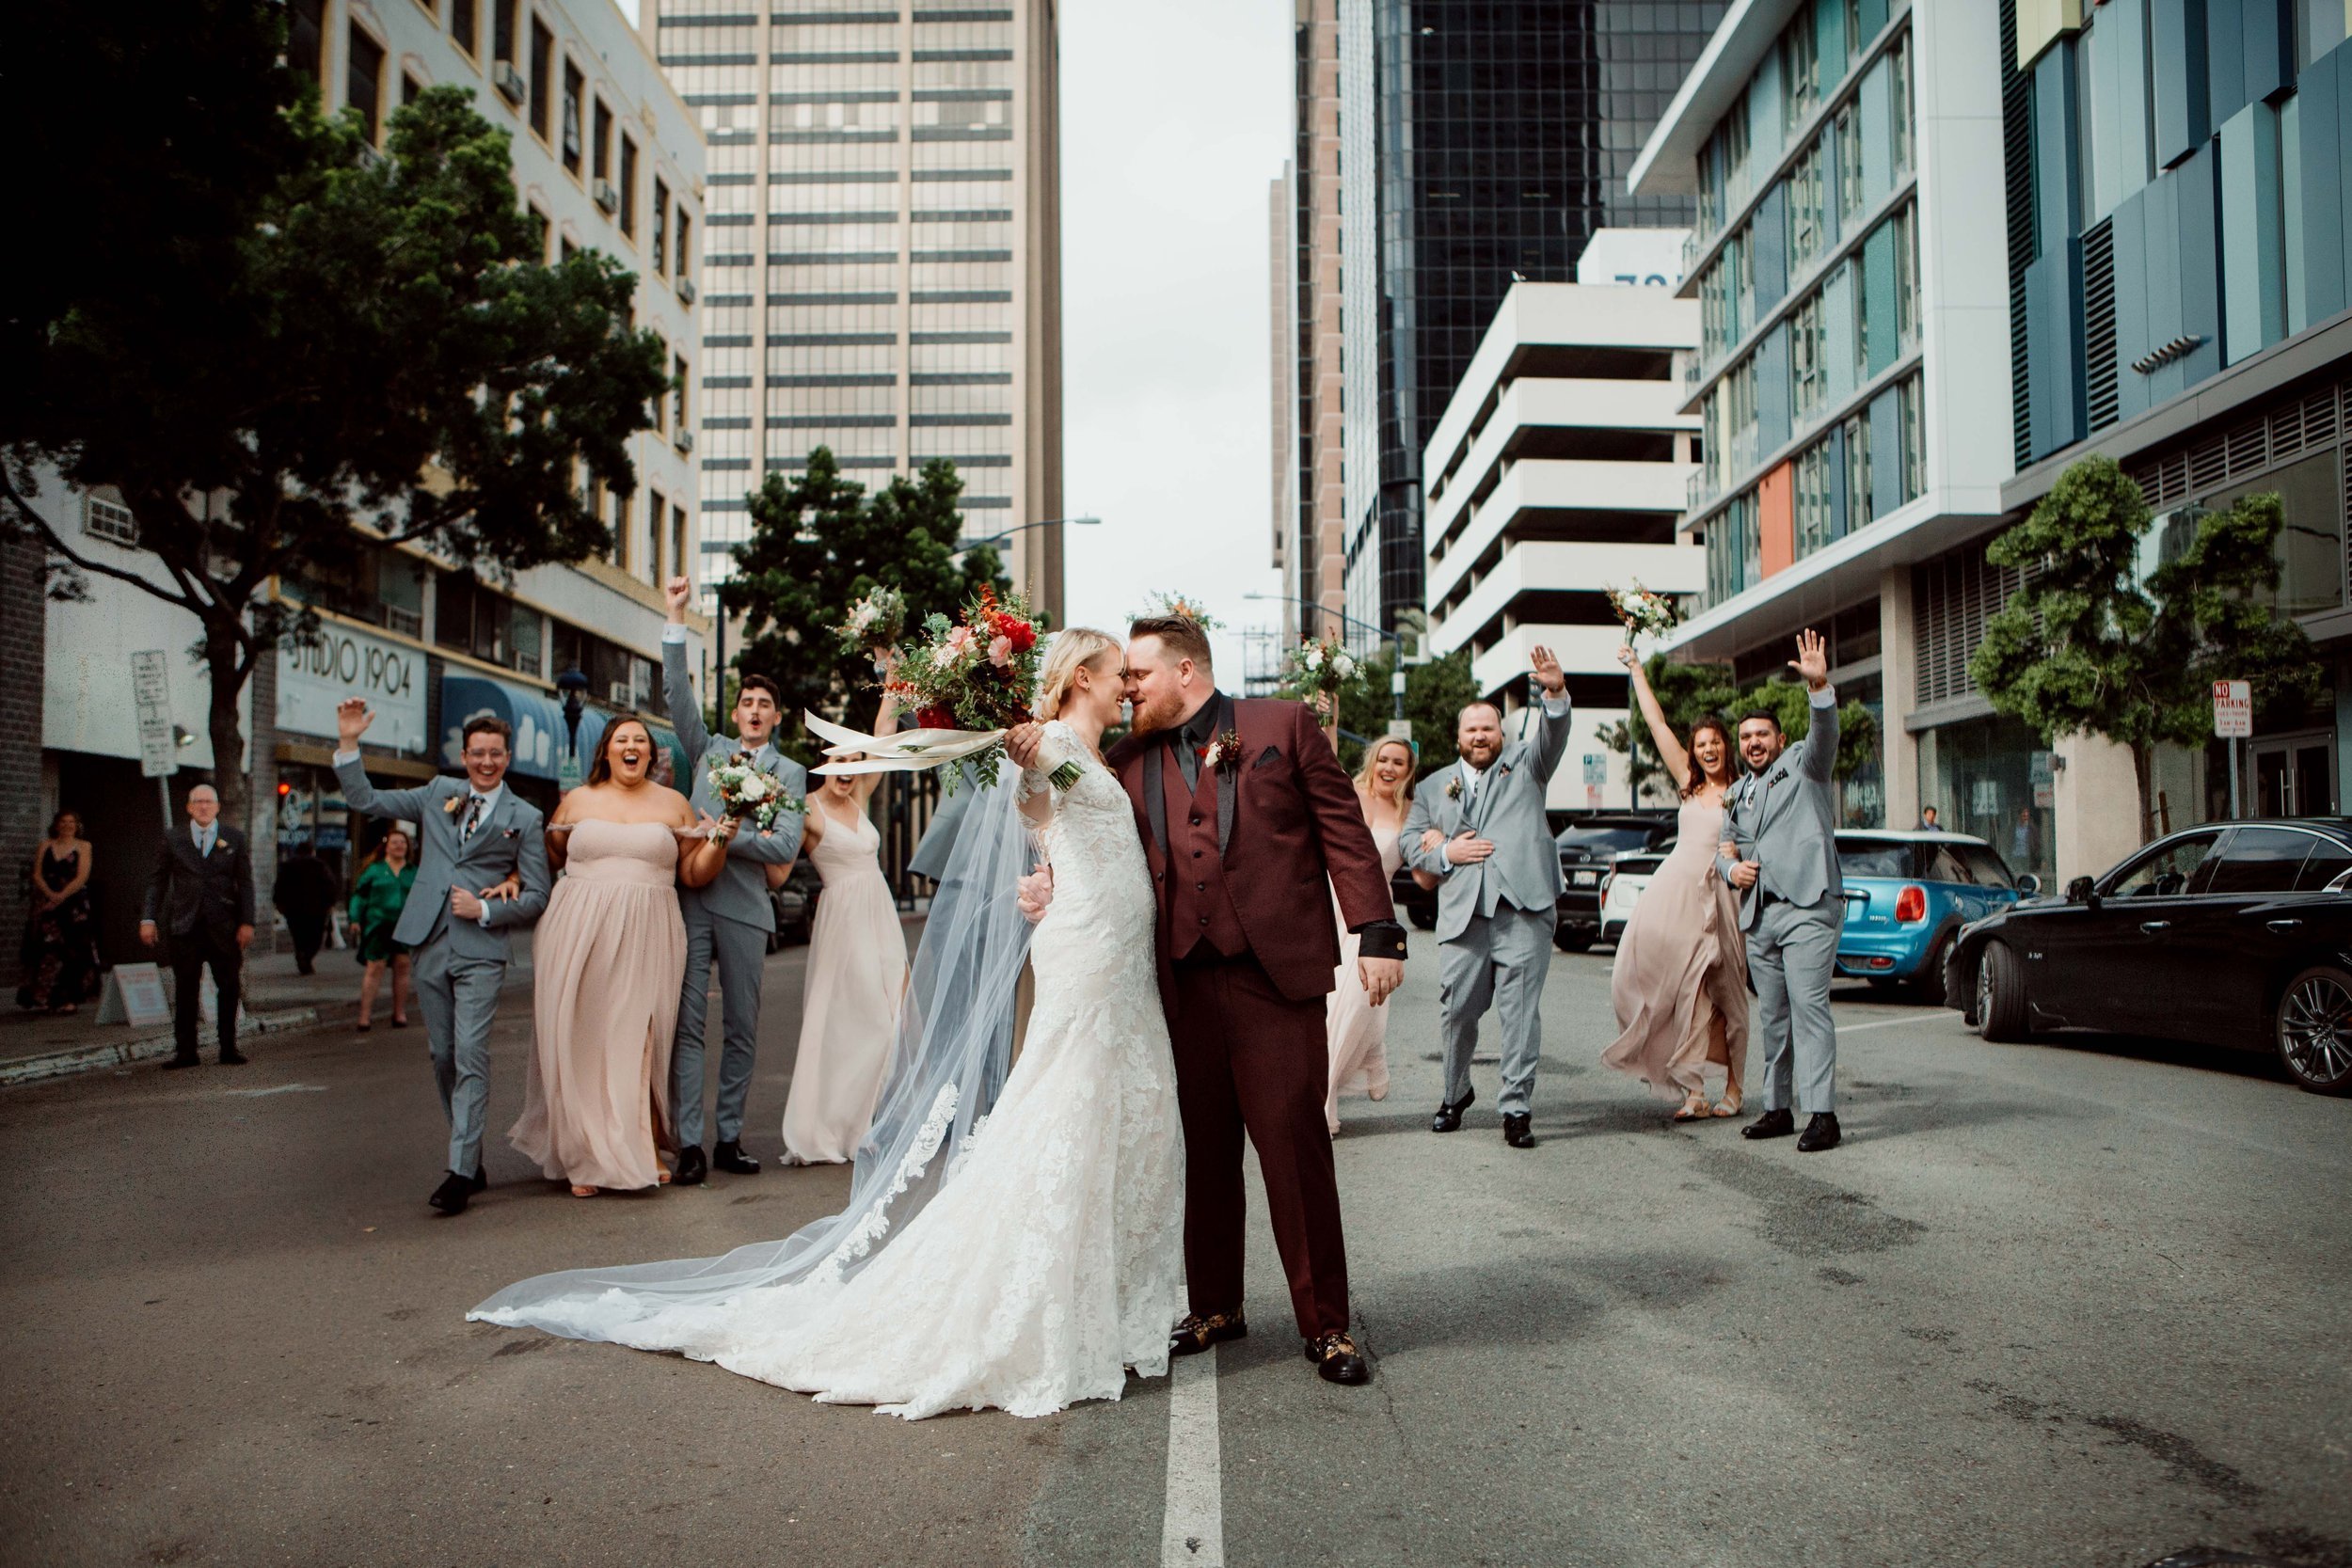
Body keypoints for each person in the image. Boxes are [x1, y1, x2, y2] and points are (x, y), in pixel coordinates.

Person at [472, 626, 1186, 1420]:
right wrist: (1026, 767)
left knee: (1118, 1102)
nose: (1127, 682)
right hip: (1087, 947)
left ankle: (1109, 1297)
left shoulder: (1094, 748)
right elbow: (1034, 800)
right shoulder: (1050, 739)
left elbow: (1061, 830)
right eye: (1117, 671)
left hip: (1113, 945)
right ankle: (1051, 1302)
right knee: (1069, 1103)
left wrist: (1046, 871)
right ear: (1079, 677)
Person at [1012, 612, 1405, 1386]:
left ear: (1185, 672)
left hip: (1275, 978)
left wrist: (1378, 931)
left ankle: (1326, 1324)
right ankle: (1218, 1304)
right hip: (1177, 982)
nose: (1129, 688)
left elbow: (1343, 832)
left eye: (1140, 676)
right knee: (1203, 1151)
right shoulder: (1120, 759)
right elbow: (1076, 833)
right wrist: (1046, 879)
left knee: (1294, 1149)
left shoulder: (1282, 726)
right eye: (1122, 678)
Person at [334, 702, 551, 1214]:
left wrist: (485, 910)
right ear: (464, 755)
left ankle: (458, 1173)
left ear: (508, 756)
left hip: (481, 948)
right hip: (428, 940)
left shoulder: (525, 817)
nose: (486, 762)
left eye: (495, 753)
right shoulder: (438, 793)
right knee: (443, 1055)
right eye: (477, 753)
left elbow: (538, 894)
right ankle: (469, 1152)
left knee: (472, 1052)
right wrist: (348, 744)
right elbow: (366, 801)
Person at [510, 719, 730, 1197]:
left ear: (653, 755)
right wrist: (511, 879)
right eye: (622, 740)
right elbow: (547, 856)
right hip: (577, 928)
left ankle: (641, 1144)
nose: (631, 747)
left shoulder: (674, 804)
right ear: (606, 751)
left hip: (650, 928)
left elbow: (693, 874)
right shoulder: (577, 800)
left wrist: (719, 842)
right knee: (584, 1035)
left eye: (641, 742)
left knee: (639, 1036)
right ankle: (584, 1155)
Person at [661, 575, 807, 1186]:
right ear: (737, 709)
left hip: (748, 910)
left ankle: (728, 1136)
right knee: (687, 1024)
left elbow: (784, 844)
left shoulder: (791, 772)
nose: (752, 710)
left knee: (742, 1028)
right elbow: (676, 695)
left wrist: (720, 835)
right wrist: (675, 617)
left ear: (775, 718)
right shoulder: (710, 748)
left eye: (763, 705)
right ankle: (688, 1141)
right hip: (693, 901)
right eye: (745, 701)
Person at [1399, 651, 1574, 1148]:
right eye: (1471, 730)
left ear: (1502, 734)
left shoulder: (1528, 763)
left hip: (1525, 909)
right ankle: (1455, 1093)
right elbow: (1412, 842)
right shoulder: (1434, 786)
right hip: (1463, 916)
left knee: (1520, 1013)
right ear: (1458, 737)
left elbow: (1554, 733)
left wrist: (1554, 694)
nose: (1480, 737)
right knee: (1457, 1008)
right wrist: (1447, 852)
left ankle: (1516, 1108)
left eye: (1489, 729)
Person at [1601, 647, 1748, 1121]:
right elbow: (1657, 724)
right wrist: (1636, 670)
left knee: (1725, 995)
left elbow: (1758, 841)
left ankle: (1735, 1086)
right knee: (1679, 989)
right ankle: (1693, 1090)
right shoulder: (1687, 780)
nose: (1707, 749)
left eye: (1715, 742)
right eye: (1700, 743)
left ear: (1728, 746)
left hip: (1721, 897)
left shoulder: (1744, 792)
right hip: (1675, 894)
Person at [1719, 629, 1846, 1153]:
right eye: (1746, 737)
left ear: (1777, 737)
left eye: (1762, 735)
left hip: (1808, 905)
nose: (1753, 743)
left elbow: (1824, 738)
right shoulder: (1735, 794)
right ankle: (1777, 1106)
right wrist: (1731, 873)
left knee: (1809, 1007)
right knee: (1773, 1015)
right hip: (1760, 915)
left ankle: (1823, 1114)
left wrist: (1819, 690)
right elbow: (1723, 847)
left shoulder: (1802, 764)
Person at [782, 689, 908, 1164]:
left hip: (879, 913)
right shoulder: (807, 809)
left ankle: (867, 1123)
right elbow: (778, 867)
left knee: (893, 1016)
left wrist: (893, 680)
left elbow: (884, 737)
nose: (847, 772)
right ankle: (835, 1128)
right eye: (839, 762)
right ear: (822, 763)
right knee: (858, 1022)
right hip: (843, 918)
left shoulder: (859, 796)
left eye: (854, 763)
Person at [1325, 736, 1413, 1134]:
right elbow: (1324, 758)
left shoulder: (1411, 812)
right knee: (1330, 1006)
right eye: (1384, 759)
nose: (1389, 768)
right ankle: (1325, 1098)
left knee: (1362, 1002)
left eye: (1399, 762)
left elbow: (1427, 868)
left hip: (1378, 914)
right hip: (1336, 906)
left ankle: (1363, 1060)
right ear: (1372, 761)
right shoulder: (1350, 794)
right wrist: (1332, 717)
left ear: (1408, 770)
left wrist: (1437, 843)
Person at [141, 784, 256, 1069]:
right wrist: (148, 918)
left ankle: (228, 1047)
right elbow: (157, 880)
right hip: (185, 925)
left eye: (209, 802)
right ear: (189, 808)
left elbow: (245, 882)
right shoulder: (173, 839)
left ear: (217, 807)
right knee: (185, 989)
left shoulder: (234, 838)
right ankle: (186, 1051)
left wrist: (247, 921)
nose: (204, 807)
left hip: (223, 926)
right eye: (198, 802)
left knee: (229, 986)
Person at [18, 811, 101, 1014]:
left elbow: (82, 876)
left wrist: (61, 897)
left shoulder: (83, 846)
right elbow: (37, 874)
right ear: (56, 825)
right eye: (63, 822)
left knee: (74, 949)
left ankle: (70, 998)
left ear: (77, 825)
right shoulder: (45, 845)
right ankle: (42, 996)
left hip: (73, 904)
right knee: (46, 948)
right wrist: (49, 895)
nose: (67, 826)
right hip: (47, 903)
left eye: (71, 822)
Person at [348, 828, 417, 1032]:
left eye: (403, 843)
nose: (399, 846)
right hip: (378, 925)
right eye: (395, 842)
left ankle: (399, 1013)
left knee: (403, 965)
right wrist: (355, 918)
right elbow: (359, 896)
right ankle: (364, 1016)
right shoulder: (375, 870)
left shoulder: (413, 872)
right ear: (386, 846)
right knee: (375, 967)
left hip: (404, 926)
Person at [271, 840, 340, 976]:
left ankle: (302, 954)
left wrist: (278, 903)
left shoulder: (287, 866)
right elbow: (330, 885)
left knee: (298, 935)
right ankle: (306, 956)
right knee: (315, 936)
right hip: (316, 909)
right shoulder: (319, 866)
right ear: (312, 851)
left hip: (293, 909)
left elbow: (279, 886)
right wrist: (330, 903)